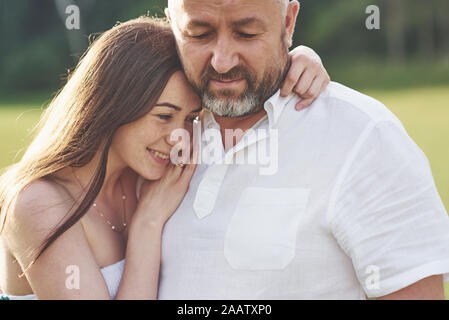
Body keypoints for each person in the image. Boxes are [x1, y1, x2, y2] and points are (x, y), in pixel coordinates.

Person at [0, 16, 330, 299]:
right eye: (163, 116)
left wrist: (298, 60)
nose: (178, 137)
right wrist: (148, 223)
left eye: (190, 118)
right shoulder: (38, 204)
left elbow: (246, 93)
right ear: (113, 105)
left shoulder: (154, 173)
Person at [156, 0, 449, 299]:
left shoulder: (365, 136)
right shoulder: (150, 139)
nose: (222, 61)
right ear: (171, 26)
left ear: (288, 23)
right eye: (199, 35)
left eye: (246, 33)